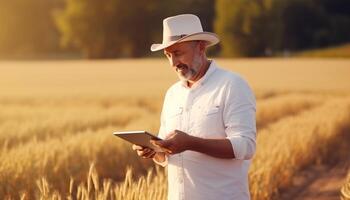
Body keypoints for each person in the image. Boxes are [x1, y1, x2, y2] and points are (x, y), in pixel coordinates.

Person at [132, 14, 256, 200]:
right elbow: (169, 155)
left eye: (178, 53)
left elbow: (245, 146)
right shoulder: (173, 94)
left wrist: (191, 143)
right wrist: (155, 151)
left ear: (201, 47)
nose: (173, 63)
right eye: (168, 55)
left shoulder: (232, 85)